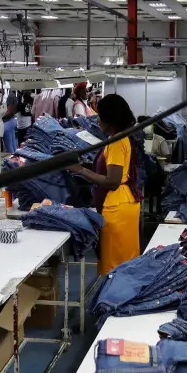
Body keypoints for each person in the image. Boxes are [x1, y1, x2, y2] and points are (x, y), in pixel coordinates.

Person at [68, 94, 141, 275]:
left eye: (100, 115)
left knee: (116, 267)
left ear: (110, 119)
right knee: (125, 262)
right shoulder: (121, 138)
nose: (97, 119)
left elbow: (112, 181)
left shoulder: (116, 142)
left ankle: (114, 300)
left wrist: (81, 171)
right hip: (125, 202)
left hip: (117, 207)